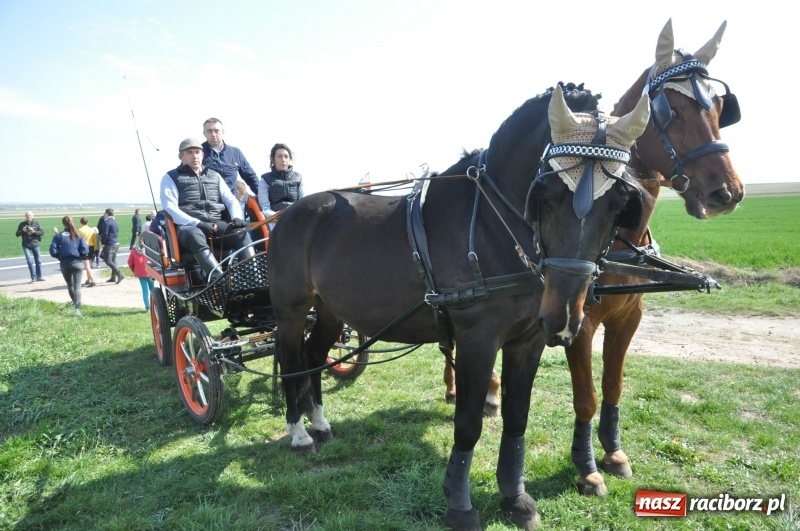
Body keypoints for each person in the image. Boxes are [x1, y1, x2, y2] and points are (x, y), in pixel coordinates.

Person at [160, 138, 255, 281]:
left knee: (241, 233)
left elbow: (230, 199)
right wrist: (197, 223)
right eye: (189, 152)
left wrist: (237, 217)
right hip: (188, 228)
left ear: (202, 155)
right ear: (181, 156)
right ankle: (219, 281)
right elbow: (170, 208)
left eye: (197, 152)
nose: (194, 156)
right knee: (195, 235)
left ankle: (253, 278)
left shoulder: (214, 175)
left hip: (216, 223)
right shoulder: (170, 177)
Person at [201, 117, 259, 196]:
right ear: (204, 133)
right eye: (209, 131)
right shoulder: (197, 153)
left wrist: (263, 198)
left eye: (216, 130)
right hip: (209, 203)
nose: (213, 134)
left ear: (223, 132)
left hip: (231, 202)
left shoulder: (235, 153)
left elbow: (250, 177)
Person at [50, 216, 89, 317]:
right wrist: (80, 255)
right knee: (77, 287)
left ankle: (75, 303)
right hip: (77, 263)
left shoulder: (58, 236)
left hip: (64, 264)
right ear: (73, 223)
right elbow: (85, 250)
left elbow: (53, 251)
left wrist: (60, 256)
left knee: (70, 285)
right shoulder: (78, 235)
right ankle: (77, 308)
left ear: (63, 224)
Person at [258, 143, 304, 217]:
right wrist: (276, 216)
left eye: (286, 157)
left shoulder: (299, 178)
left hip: (296, 217)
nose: (283, 160)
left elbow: (304, 201)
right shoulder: (265, 180)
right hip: (274, 219)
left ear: (289, 159)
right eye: (279, 156)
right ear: (273, 159)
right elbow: (265, 208)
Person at [16, 211, 45, 283]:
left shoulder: (36, 223)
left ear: (33, 216)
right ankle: (33, 277)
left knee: (38, 261)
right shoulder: (22, 224)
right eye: (27, 215)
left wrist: (34, 231)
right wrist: (23, 231)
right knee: (29, 261)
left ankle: (39, 276)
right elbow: (17, 234)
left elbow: (42, 232)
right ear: (25, 216)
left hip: (35, 244)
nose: (28, 217)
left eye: (30, 215)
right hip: (26, 245)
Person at [127, 237, 154, 312]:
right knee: (153, 290)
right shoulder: (149, 249)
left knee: (145, 290)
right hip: (150, 272)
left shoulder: (134, 251)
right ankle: (155, 305)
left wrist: (134, 270)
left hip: (140, 273)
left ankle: (147, 307)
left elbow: (130, 262)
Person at [99, 208, 124, 283]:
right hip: (116, 243)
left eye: (104, 213)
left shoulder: (106, 222)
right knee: (113, 260)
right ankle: (113, 277)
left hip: (110, 244)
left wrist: (103, 242)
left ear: (106, 214)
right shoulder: (114, 221)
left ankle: (119, 275)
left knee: (108, 260)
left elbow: (105, 234)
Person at [77, 216, 97, 287]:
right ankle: (88, 279)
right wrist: (95, 248)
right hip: (91, 247)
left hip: (84, 248)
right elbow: (95, 239)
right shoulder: (91, 230)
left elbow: (78, 241)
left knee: (87, 266)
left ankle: (93, 280)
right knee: (89, 264)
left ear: (81, 222)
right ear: (87, 222)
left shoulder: (79, 230)